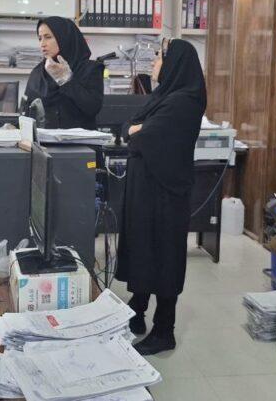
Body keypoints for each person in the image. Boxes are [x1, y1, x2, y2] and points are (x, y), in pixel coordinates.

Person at [115, 39, 207, 356]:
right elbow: (127, 127)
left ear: (175, 63)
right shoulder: (162, 97)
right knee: (143, 248)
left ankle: (164, 331)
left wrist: (134, 131)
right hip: (146, 190)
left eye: (159, 57)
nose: (154, 63)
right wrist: (134, 130)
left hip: (166, 194)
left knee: (164, 256)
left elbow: (143, 139)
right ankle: (138, 309)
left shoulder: (184, 100)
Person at [23, 16, 104, 129]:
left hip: (80, 139)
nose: (42, 44)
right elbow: (28, 113)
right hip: (45, 139)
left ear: (64, 38)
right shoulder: (38, 72)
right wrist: (15, 127)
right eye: (40, 38)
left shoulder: (90, 69)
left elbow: (93, 108)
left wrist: (66, 80)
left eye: (48, 37)